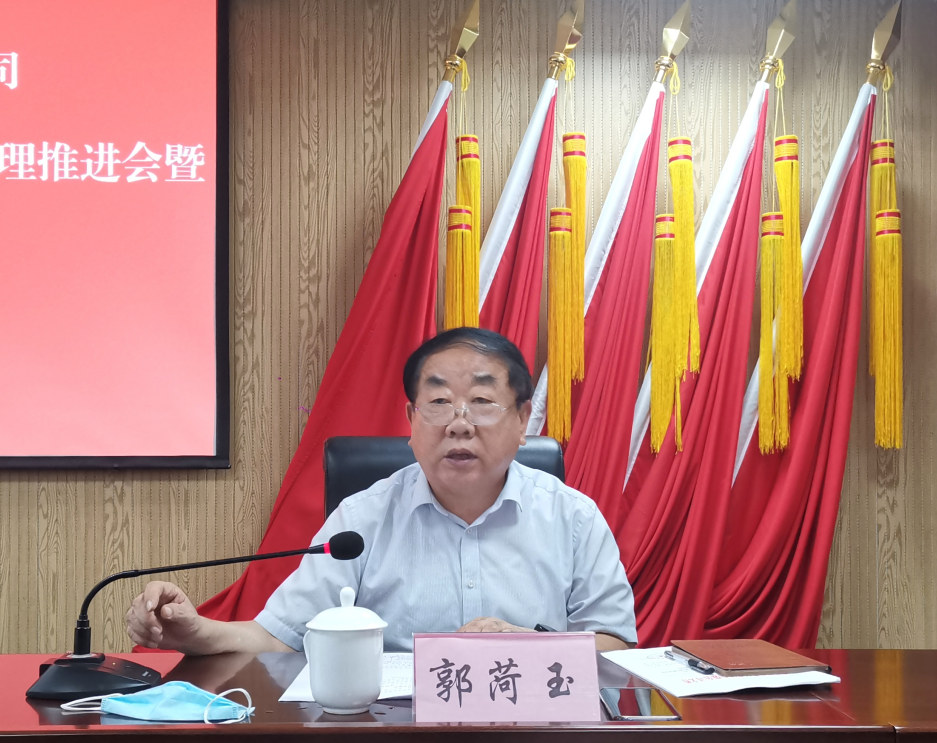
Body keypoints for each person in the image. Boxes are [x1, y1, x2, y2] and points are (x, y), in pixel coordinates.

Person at [126, 328, 637, 654]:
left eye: (482, 401)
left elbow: (615, 644)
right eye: (439, 402)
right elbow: (281, 636)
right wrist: (197, 631)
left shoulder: (573, 518)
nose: (459, 424)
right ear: (412, 420)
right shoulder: (362, 519)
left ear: (523, 420)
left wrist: (532, 649)